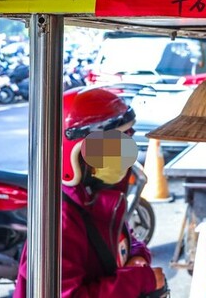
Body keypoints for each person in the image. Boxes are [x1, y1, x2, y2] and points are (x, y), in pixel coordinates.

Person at [14, 87, 166, 298]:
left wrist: (138, 256)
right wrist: (139, 280)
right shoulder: (59, 222)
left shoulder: (99, 201)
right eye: (107, 149)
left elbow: (123, 238)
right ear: (74, 154)